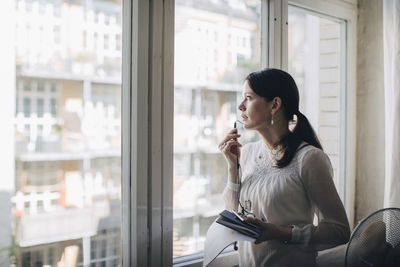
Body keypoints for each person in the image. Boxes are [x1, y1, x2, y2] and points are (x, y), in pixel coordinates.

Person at [218, 68, 350, 267]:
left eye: (248, 98)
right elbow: (233, 214)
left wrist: (278, 232)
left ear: (275, 105)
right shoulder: (247, 153)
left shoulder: (309, 159)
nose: (240, 106)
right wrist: (232, 167)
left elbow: (339, 231)